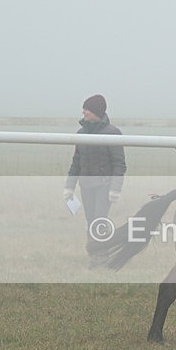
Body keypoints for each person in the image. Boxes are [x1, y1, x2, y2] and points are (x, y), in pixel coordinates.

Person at [63, 94, 127, 257]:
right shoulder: (80, 133)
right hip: (86, 186)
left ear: (97, 111)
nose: (83, 112)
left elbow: (119, 163)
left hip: (104, 186)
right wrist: (69, 187)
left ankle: (101, 255)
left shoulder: (113, 133)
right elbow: (76, 162)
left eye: (87, 109)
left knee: (99, 220)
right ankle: (94, 254)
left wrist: (115, 188)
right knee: (91, 220)